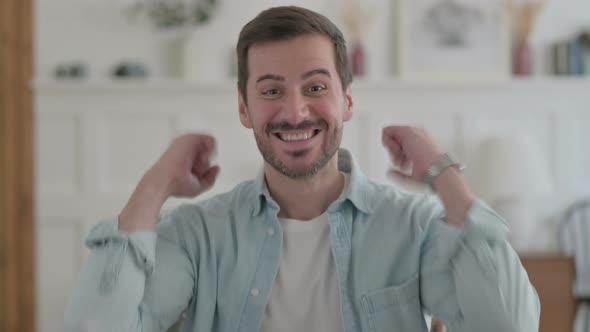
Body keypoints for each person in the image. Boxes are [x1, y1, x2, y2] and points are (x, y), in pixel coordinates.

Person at [65, 6, 540, 332]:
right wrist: (154, 186)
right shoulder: (198, 235)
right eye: (271, 91)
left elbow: (508, 325)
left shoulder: (411, 226)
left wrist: (445, 176)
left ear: (347, 100)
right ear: (244, 108)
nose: (295, 112)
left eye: (315, 87)